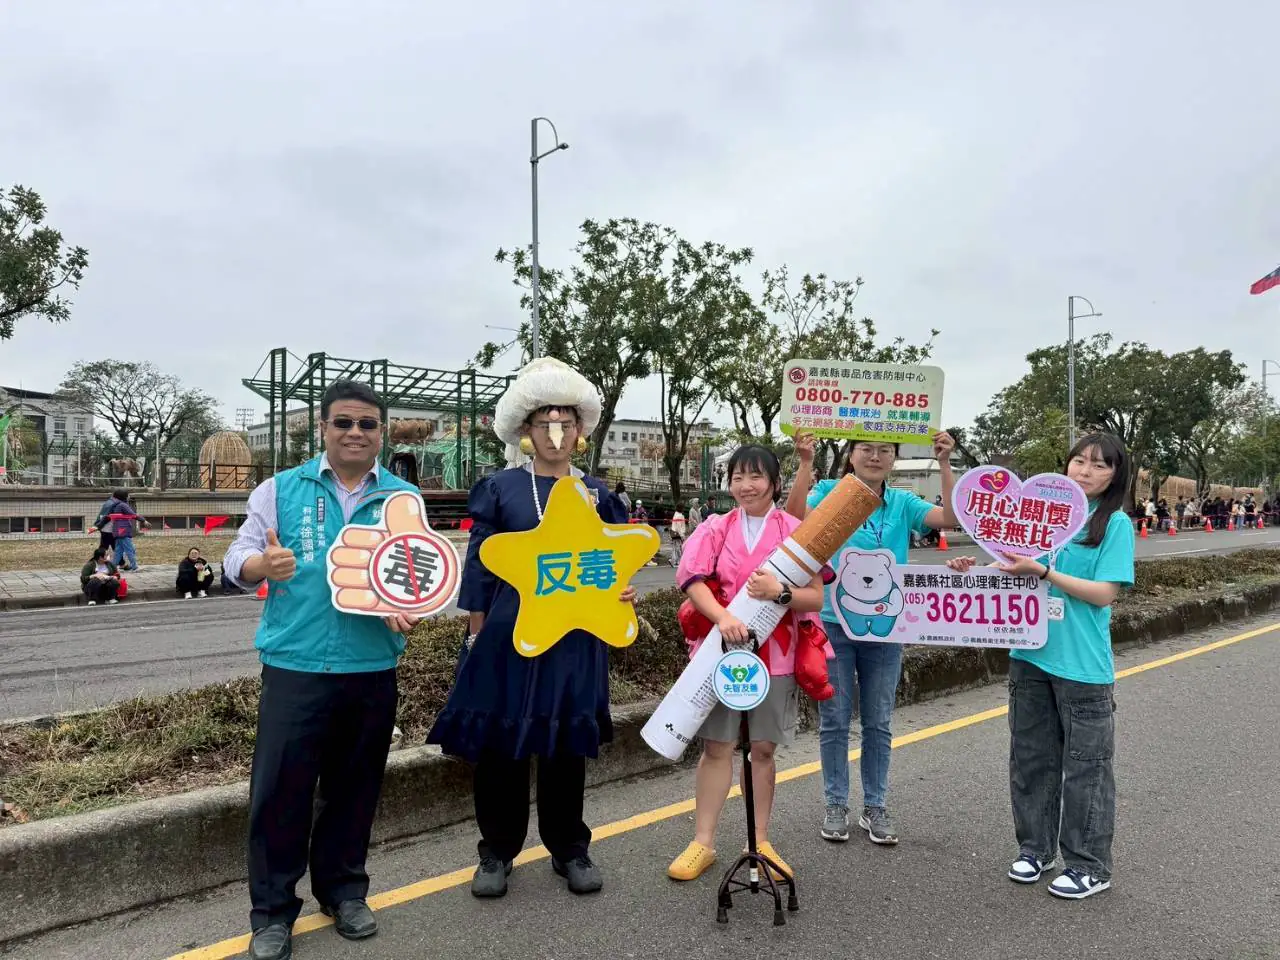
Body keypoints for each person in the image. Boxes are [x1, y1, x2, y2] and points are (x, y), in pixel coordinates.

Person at [223, 380, 421, 960]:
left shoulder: (403, 498)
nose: (355, 433)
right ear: (324, 429)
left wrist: (408, 605)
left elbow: (419, 571)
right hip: (295, 664)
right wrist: (263, 564)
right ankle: (272, 913)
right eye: (343, 423)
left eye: (367, 424)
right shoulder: (280, 489)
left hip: (370, 664)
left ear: (381, 433)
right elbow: (235, 558)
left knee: (354, 789)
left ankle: (343, 892)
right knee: (280, 792)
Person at [427, 357, 638, 900]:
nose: (556, 432)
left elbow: (616, 562)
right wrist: (475, 634)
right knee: (502, 743)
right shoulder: (501, 489)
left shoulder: (598, 494)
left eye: (566, 421)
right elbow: (480, 564)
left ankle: (569, 848)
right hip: (507, 636)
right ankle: (496, 851)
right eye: (545, 422)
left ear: (580, 429)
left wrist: (622, 593)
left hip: (576, 640)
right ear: (526, 429)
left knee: (566, 742)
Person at [947, 431, 1133, 900]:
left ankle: (1089, 865)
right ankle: (1035, 849)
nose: (1085, 471)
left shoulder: (1113, 524)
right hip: (1028, 657)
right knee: (1031, 761)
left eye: (1099, 465)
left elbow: (1104, 594)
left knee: (1086, 768)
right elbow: (1012, 571)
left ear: (1115, 475)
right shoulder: (1039, 515)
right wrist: (971, 573)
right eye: (1079, 461)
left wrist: (1046, 571)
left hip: (1083, 667)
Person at [785, 429, 958, 845]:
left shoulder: (902, 502)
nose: (875, 457)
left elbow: (950, 519)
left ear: (894, 459)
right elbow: (792, 520)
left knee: (878, 722)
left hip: (886, 625)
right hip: (833, 623)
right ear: (851, 454)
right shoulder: (828, 492)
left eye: (884, 450)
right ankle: (836, 804)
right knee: (834, 720)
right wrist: (805, 462)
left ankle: (875, 806)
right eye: (866, 449)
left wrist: (944, 462)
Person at [666, 445, 829, 883]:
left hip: (777, 656)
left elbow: (816, 597)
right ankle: (702, 841)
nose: (746, 485)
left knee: (763, 749)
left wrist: (781, 593)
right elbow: (692, 581)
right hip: (721, 654)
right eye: (738, 477)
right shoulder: (715, 527)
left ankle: (759, 840)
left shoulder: (797, 532)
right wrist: (723, 618)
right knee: (717, 746)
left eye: (756, 477)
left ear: (775, 483)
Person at [103, 489, 149, 570]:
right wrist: (143, 520)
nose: (129, 496)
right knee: (130, 549)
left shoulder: (116, 505)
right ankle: (134, 566)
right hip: (123, 530)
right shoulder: (123, 505)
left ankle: (112, 567)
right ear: (124, 496)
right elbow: (133, 514)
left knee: (118, 551)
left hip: (118, 530)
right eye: (128, 495)